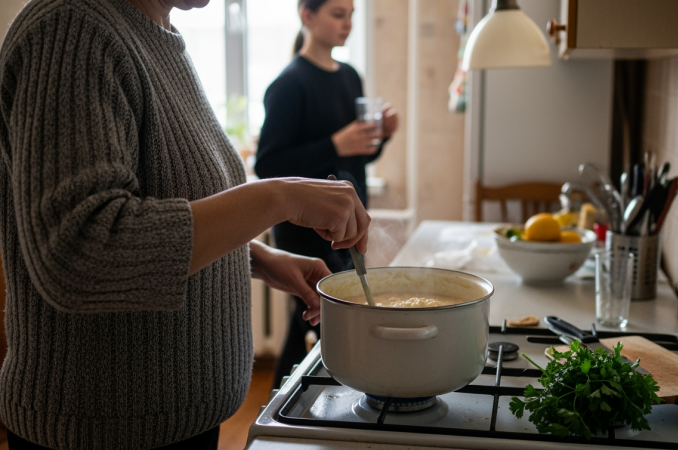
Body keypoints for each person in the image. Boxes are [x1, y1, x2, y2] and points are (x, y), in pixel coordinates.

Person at [0, 0, 370, 449]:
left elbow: (154, 212)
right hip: (101, 431)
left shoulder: (157, 36)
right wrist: (280, 196)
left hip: (172, 423)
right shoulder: (71, 28)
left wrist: (255, 257)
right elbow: (83, 250)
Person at [254, 0, 398, 386]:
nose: (347, 23)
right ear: (307, 16)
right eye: (338, 14)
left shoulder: (350, 76)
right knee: (332, 326)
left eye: (351, 15)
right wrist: (335, 144)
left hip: (348, 224)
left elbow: (358, 157)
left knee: (313, 323)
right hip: (307, 234)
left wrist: (382, 136)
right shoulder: (288, 84)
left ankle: (278, 408)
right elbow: (268, 167)